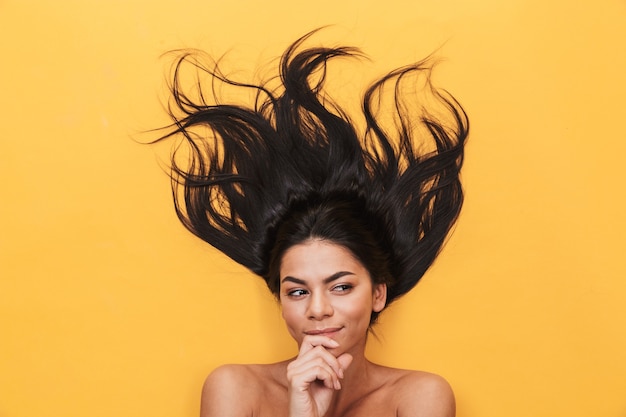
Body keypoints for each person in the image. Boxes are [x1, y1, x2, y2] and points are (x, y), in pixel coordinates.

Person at [154, 30, 468, 417]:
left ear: (378, 294)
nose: (318, 310)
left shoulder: (420, 397)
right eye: (298, 292)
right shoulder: (234, 389)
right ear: (280, 300)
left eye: (341, 286)